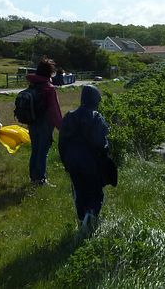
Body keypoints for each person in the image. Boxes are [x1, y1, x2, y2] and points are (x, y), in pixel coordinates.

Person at [58, 85, 109, 232]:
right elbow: (102, 144)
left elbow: (62, 143)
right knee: (95, 192)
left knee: (79, 192)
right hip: (92, 163)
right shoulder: (96, 117)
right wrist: (104, 160)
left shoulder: (69, 116)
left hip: (73, 162)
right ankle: (90, 218)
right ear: (95, 99)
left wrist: (65, 162)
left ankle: (82, 220)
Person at [25, 57, 63, 185]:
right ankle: (40, 179)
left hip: (32, 122)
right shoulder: (49, 88)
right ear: (50, 72)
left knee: (35, 150)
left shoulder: (33, 84)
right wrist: (61, 127)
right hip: (45, 125)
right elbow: (54, 110)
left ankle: (33, 177)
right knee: (42, 152)